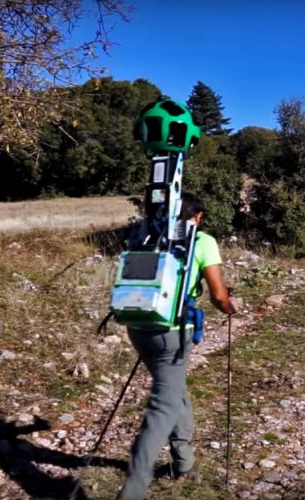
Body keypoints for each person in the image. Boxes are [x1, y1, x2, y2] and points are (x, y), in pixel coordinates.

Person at [119, 193, 237, 500]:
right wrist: (230, 306)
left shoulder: (147, 235)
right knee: (165, 402)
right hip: (172, 333)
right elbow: (218, 296)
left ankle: (182, 460)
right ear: (197, 217)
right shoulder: (202, 241)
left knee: (173, 389)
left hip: (138, 326)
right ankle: (137, 486)